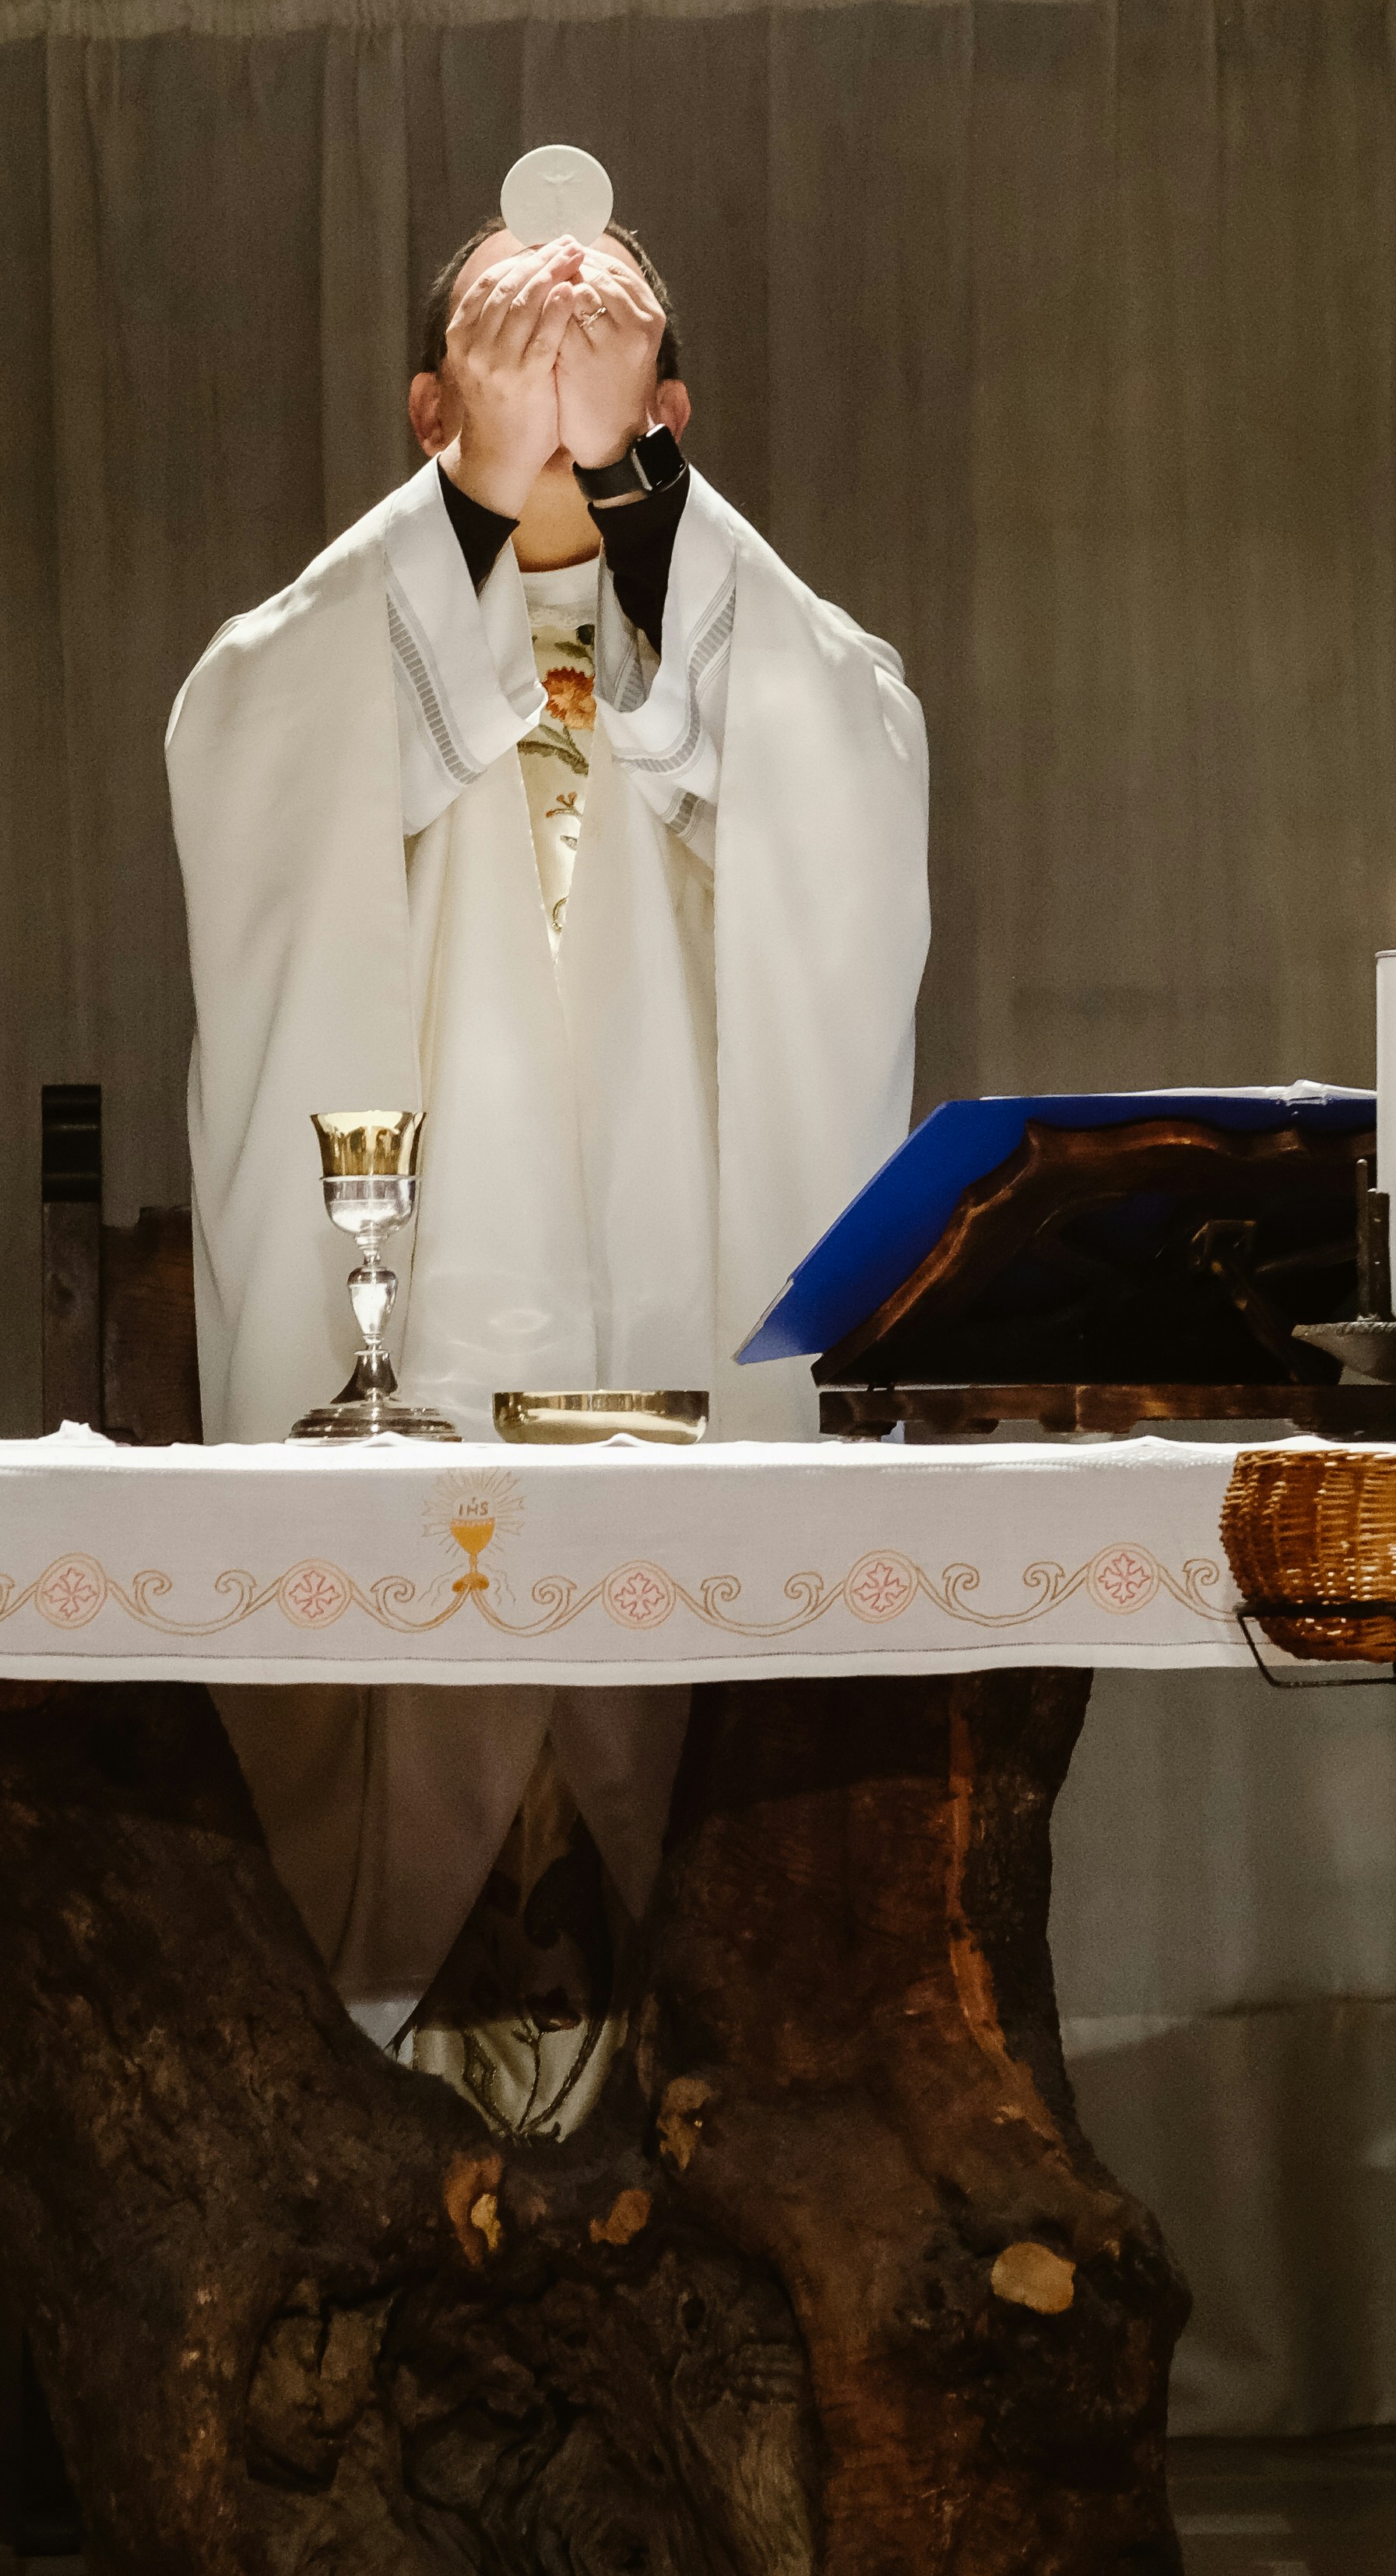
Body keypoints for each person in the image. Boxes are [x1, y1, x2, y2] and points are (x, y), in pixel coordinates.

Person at [167, 213, 927, 2130]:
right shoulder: (323, 668)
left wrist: (637, 509)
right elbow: (237, 749)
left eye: (614, 387)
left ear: (666, 421)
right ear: (431, 413)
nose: (567, 399)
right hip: (415, 1360)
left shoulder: (762, 663)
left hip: (691, 1368)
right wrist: (481, 505)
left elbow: (861, 772)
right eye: (503, 372)